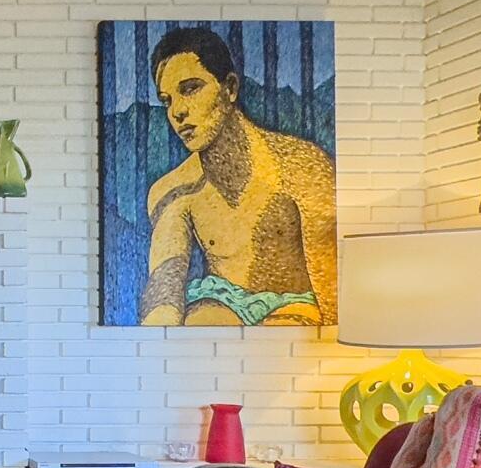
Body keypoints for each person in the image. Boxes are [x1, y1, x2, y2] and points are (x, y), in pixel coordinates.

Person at [138, 27, 336, 326]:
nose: (177, 111)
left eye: (191, 88)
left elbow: (330, 281)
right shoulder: (174, 190)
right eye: (167, 100)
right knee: (203, 321)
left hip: (292, 305)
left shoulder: (301, 165)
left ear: (229, 88)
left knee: (285, 327)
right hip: (220, 302)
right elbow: (164, 285)